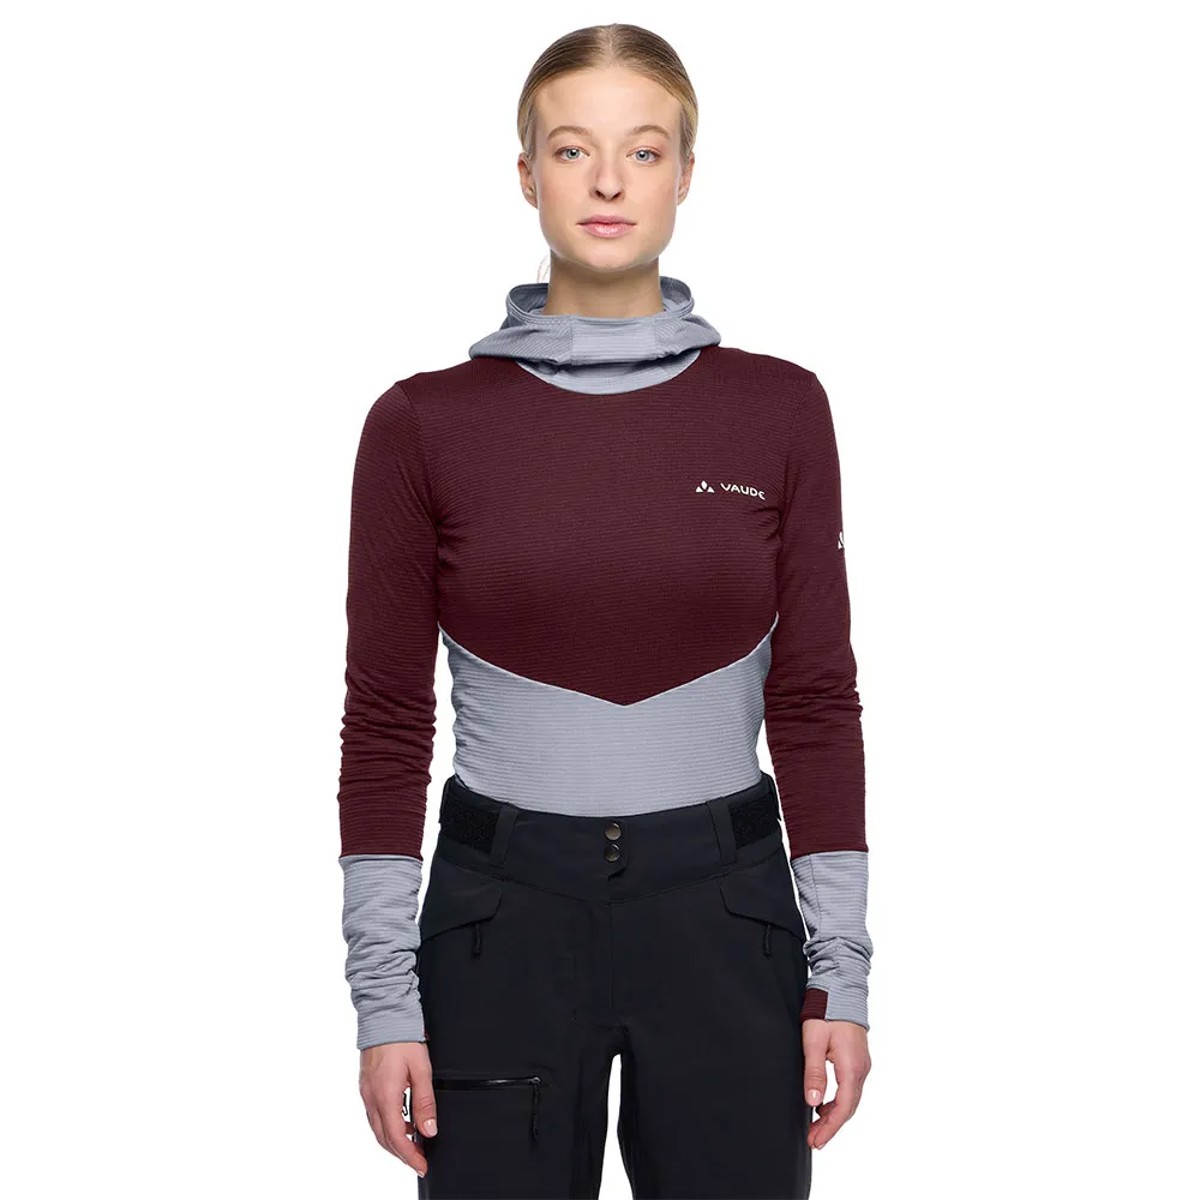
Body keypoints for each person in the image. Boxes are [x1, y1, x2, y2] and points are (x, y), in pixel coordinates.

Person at [336, 22, 873, 1199]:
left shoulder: (780, 409)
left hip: (727, 914)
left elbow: (815, 702)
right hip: (500, 919)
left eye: (644, 150)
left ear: (686, 173)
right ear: (528, 174)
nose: (611, 183)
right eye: (575, 150)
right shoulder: (423, 424)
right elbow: (384, 723)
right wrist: (385, 1002)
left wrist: (842, 976)